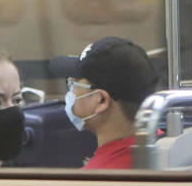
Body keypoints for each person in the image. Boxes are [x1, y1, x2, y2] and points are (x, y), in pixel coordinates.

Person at [48, 36, 159, 169]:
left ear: (101, 100)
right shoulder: (167, 146)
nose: (70, 92)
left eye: (73, 83)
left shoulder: (96, 178)